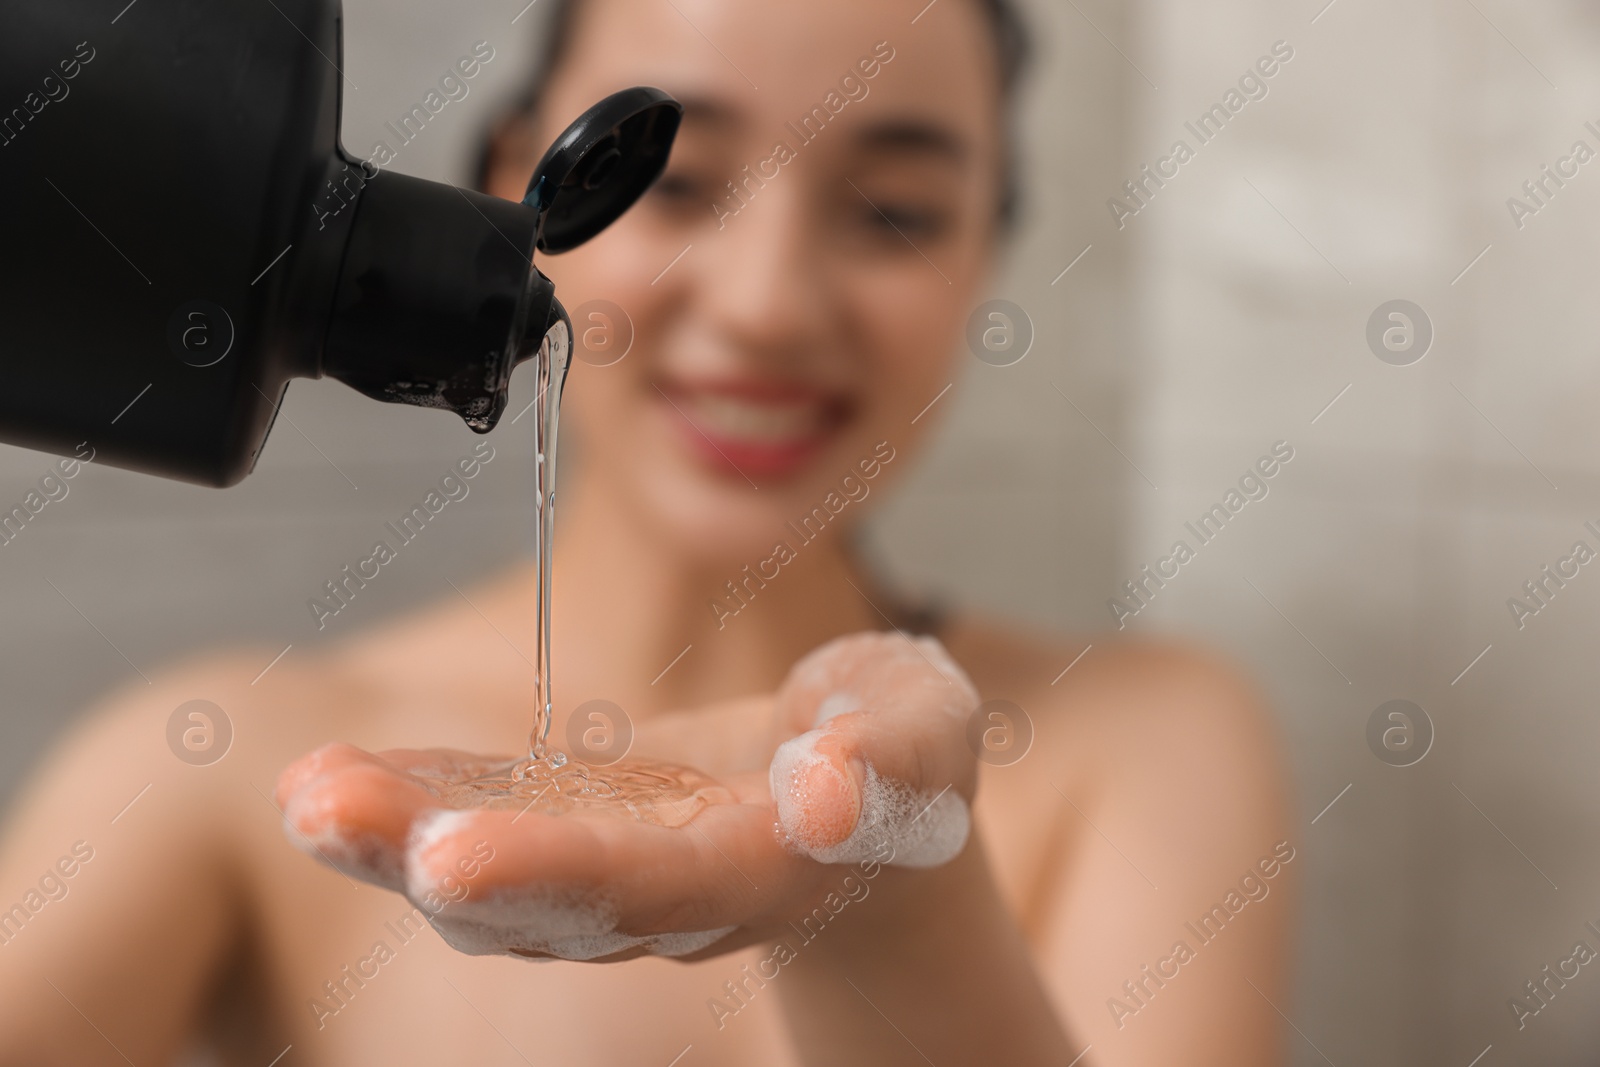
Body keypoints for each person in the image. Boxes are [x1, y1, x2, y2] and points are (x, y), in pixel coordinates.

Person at [0, 0, 1295, 1063]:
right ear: (513, 179)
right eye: (674, 188)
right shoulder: (218, 769)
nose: (768, 306)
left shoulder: (1145, 740)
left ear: (981, 263)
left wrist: (893, 906)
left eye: (895, 209)